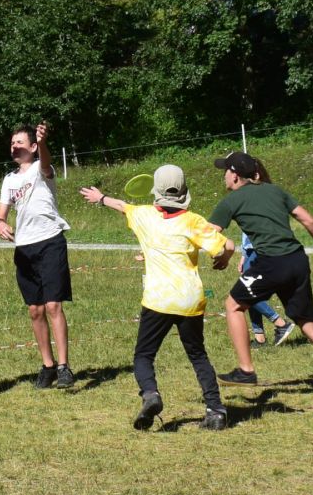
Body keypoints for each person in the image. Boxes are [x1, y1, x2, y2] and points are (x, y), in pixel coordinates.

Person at [80, 164, 233, 431]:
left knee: (144, 355)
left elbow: (123, 206)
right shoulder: (193, 221)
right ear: (183, 191)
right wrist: (225, 259)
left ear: (156, 191)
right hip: (189, 301)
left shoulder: (144, 215)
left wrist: (101, 198)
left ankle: (151, 395)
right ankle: (216, 410)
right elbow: (226, 246)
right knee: (197, 355)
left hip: (158, 301)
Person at [206, 150, 313, 402]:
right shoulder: (275, 191)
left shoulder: (231, 201)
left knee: (233, 305)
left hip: (271, 263)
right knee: (308, 323)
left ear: (235, 175)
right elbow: (309, 221)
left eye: (225, 171)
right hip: (297, 260)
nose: (223, 176)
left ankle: (246, 370)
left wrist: (222, 255)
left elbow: (208, 233)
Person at [0, 122, 74, 389]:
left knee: (53, 306)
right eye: (12, 143)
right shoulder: (9, 179)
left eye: (19, 142)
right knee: (35, 310)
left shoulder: (42, 169)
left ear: (32, 146)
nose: (14, 146)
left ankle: (64, 367)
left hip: (50, 241)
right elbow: (1, 212)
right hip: (24, 248)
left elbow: (46, 161)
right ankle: (48, 366)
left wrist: (43, 142)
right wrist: (0, 223)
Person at [241, 232, 293, 346]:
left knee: (246, 290)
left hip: (260, 247)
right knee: (250, 290)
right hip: (251, 249)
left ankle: (281, 323)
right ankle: (260, 338)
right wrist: (244, 254)